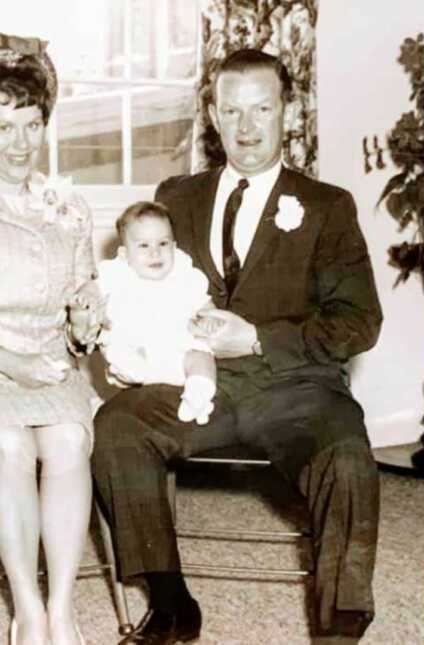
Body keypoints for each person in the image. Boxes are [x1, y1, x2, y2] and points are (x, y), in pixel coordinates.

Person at [91, 48, 383, 645]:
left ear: (287, 114)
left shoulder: (328, 206)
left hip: (296, 388)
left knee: (349, 460)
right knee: (117, 427)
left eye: (262, 110)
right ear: (213, 116)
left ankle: (339, 627)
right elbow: (143, 286)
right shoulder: (176, 196)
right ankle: (172, 606)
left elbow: (359, 322)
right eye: (232, 111)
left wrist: (256, 339)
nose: (247, 129)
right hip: (195, 384)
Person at [0, 33, 99, 645]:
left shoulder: (69, 204)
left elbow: (81, 298)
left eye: (32, 125)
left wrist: (85, 324)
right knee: (7, 446)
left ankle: (61, 610)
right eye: (3, 126)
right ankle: (27, 609)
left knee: (66, 440)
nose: (20, 144)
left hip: (52, 367)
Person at [94, 201, 218, 424]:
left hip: (178, 349)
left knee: (201, 356)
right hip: (138, 348)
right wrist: (86, 298)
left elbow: (204, 303)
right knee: (119, 349)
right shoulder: (117, 274)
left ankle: (199, 393)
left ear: (174, 246)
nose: (155, 252)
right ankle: (134, 369)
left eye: (163, 243)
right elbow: (92, 291)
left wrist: (209, 318)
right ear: (124, 254)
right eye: (143, 246)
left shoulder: (184, 276)